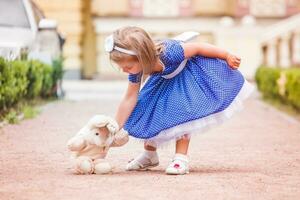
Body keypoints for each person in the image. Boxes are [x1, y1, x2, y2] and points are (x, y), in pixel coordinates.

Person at [104, 26, 254, 175]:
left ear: (143, 57)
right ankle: (149, 156)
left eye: (128, 66)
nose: (124, 70)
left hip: (189, 76)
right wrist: (115, 128)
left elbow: (198, 48)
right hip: (163, 82)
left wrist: (226, 55)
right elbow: (129, 98)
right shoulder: (136, 69)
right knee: (146, 110)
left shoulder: (170, 52)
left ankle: (181, 158)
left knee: (182, 112)